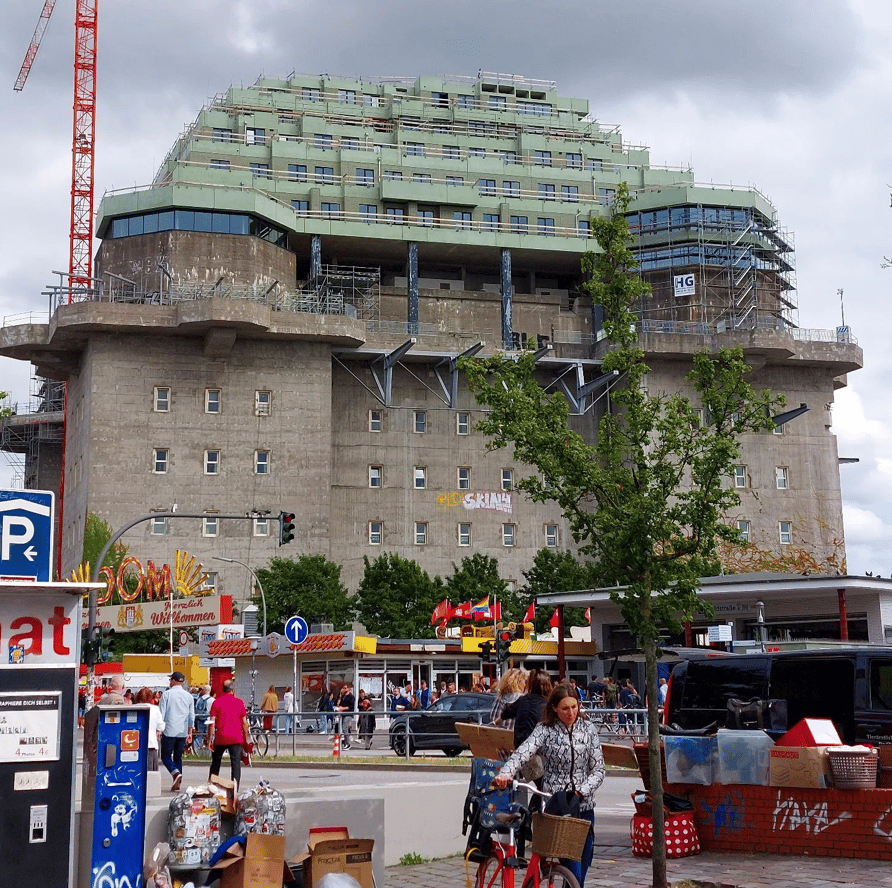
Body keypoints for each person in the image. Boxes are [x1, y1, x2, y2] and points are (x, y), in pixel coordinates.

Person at [494, 684, 606, 887]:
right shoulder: (545, 730)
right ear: (554, 708)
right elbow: (523, 752)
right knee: (572, 867)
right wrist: (506, 773)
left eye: (574, 707)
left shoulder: (588, 729)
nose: (571, 713)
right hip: (558, 807)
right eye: (565, 708)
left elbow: (599, 769)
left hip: (584, 807)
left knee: (583, 861)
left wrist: (581, 792)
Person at [207, 679, 250, 789]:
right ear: (233, 690)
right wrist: (246, 738)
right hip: (236, 738)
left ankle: (212, 785)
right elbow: (244, 723)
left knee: (216, 762)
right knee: (235, 763)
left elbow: (211, 722)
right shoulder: (240, 702)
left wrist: (209, 739)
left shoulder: (216, 702)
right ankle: (235, 788)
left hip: (220, 737)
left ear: (222, 690)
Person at [496, 669, 553, 749]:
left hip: (520, 748)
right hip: (539, 749)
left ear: (530, 685)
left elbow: (505, 714)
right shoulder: (550, 704)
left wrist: (495, 722)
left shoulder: (522, 700)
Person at [159, 671, 195, 792]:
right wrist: (190, 731)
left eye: (170, 680)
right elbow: (191, 716)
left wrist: (159, 729)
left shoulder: (167, 695)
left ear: (173, 681)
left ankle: (175, 774)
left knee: (165, 756)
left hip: (169, 730)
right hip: (182, 731)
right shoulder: (189, 696)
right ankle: (177, 780)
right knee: (178, 756)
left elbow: (161, 713)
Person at [135, 687, 165, 771]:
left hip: (134, 743)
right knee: (150, 773)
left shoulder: (133, 707)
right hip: (150, 743)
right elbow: (161, 727)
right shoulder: (155, 709)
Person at [336, 684, 356, 749]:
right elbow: (339, 704)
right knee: (343, 728)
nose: (344, 689)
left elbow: (350, 706)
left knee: (345, 727)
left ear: (348, 689)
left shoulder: (351, 697)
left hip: (348, 714)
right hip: (343, 714)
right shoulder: (343, 696)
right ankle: (345, 742)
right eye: (343, 688)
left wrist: (343, 708)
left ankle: (348, 743)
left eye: (345, 688)